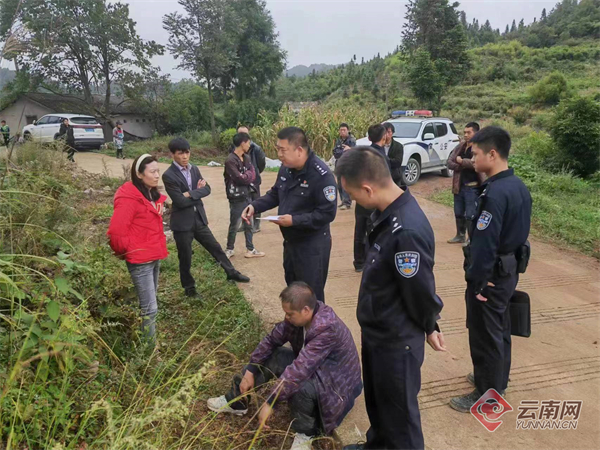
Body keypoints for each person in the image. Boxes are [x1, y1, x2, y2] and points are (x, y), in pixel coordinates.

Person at [336, 147, 446, 450]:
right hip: (378, 331)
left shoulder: (406, 229)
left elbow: (420, 290)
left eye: (355, 196)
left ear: (368, 188)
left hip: (397, 339)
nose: (356, 202)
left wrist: (429, 324)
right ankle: (378, 445)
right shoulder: (386, 214)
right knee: (379, 403)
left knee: (401, 418)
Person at [207, 282, 362, 450]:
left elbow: (300, 370)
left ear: (305, 310)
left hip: (336, 385)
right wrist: (251, 370)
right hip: (315, 370)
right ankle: (237, 401)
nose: (286, 317)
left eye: (290, 314)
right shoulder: (297, 320)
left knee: (300, 386)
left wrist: (270, 402)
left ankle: (305, 434)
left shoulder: (326, 328)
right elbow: (271, 340)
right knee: (276, 355)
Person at [450, 126, 532, 412]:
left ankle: (487, 394)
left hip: (491, 277)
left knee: (486, 334)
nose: (473, 159)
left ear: (492, 154)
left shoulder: (494, 194)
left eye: (476, 154)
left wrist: (478, 281)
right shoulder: (518, 186)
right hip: (508, 271)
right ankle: (496, 379)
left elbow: (485, 245)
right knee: (500, 330)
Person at [242, 127, 336, 303]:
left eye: (282, 149)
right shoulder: (286, 169)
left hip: (312, 246)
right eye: (277, 148)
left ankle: (316, 330)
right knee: (293, 291)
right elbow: (276, 193)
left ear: (299, 150)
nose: (278, 154)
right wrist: (254, 206)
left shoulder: (321, 176)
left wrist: (294, 220)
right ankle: (297, 329)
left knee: (310, 296)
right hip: (291, 243)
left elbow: (327, 213)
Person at [162, 137, 249, 298]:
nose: (185, 157)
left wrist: (189, 193)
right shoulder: (169, 175)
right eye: (180, 154)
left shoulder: (194, 169)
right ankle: (189, 288)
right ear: (172, 154)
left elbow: (207, 189)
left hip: (199, 218)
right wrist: (195, 193)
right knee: (185, 257)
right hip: (182, 223)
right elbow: (179, 201)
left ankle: (231, 272)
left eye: (187, 153)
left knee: (215, 247)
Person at [107, 154, 168, 345]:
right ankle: (149, 352)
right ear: (139, 174)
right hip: (140, 260)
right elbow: (116, 232)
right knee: (150, 308)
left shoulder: (149, 194)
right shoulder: (129, 198)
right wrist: (130, 251)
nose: (157, 175)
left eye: (158, 171)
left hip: (153, 255)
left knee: (151, 304)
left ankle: (148, 343)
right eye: (152, 172)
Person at [352, 124, 389, 272]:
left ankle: (359, 262)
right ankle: (372, 262)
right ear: (384, 136)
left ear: (368, 138)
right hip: (375, 200)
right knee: (374, 232)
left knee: (359, 230)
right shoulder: (381, 156)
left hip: (361, 198)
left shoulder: (363, 154)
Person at [224, 132, 265, 259]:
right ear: (242, 143)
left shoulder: (246, 158)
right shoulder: (230, 160)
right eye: (248, 142)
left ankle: (250, 249)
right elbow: (238, 178)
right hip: (236, 197)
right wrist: (247, 176)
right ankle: (229, 249)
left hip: (248, 194)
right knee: (235, 224)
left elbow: (253, 173)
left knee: (249, 223)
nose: (249, 145)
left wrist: (246, 177)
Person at [446, 122, 481, 244]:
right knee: (458, 212)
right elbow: (449, 162)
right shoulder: (460, 146)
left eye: (469, 132)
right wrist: (462, 164)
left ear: (476, 133)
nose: (465, 135)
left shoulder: (479, 147)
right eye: (464, 132)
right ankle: (460, 235)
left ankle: (471, 238)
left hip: (472, 187)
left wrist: (461, 161)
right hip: (459, 186)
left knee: (471, 215)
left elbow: (477, 163)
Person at [229, 126, 266, 232]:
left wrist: (254, 174)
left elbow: (261, 163)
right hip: (241, 180)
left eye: (245, 134)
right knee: (244, 201)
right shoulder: (233, 148)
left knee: (256, 201)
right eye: (240, 134)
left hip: (253, 180)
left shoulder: (256, 148)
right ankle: (245, 224)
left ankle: (256, 224)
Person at [332, 123, 356, 210]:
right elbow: (335, 153)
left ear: (348, 130)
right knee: (339, 184)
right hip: (339, 164)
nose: (342, 132)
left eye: (344, 130)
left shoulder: (351, 140)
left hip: (347, 165)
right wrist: (343, 152)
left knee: (345, 184)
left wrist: (343, 152)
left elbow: (351, 153)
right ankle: (343, 201)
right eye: (341, 130)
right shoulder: (339, 141)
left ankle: (347, 202)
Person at [383, 122, 405, 186]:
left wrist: (384, 160)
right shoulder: (378, 145)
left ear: (392, 133)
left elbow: (398, 162)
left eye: (388, 132)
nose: (386, 135)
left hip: (394, 177)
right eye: (384, 132)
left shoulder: (398, 146)